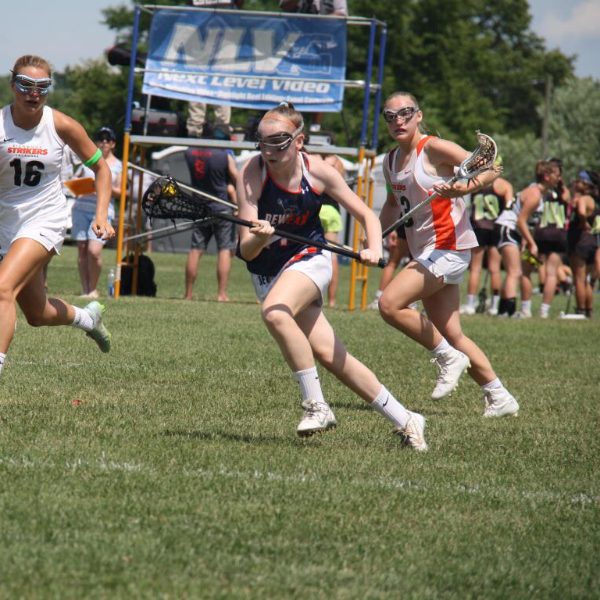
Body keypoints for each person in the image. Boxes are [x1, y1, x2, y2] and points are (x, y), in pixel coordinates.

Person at [236, 101, 427, 450]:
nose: (269, 151)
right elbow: (247, 251)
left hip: (309, 258)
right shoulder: (252, 173)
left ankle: (316, 406)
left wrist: (374, 247)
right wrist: (259, 236)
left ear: (299, 141)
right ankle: (406, 419)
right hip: (268, 272)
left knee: (275, 313)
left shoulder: (319, 172)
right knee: (332, 356)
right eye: (262, 142)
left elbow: (366, 215)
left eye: (278, 142)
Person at [377, 91, 519, 418]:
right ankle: (499, 396)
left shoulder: (434, 148)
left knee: (389, 304)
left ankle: (447, 358)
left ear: (419, 116)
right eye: (390, 116)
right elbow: (391, 205)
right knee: (453, 334)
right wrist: (373, 238)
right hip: (425, 250)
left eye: (405, 113)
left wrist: (462, 188)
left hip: (448, 247)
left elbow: (492, 167)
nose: (398, 121)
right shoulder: (390, 161)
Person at [0, 55, 114, 381]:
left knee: (2, 288)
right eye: (26, 85)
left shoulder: (62, 125)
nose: (33, 93)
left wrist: (102, 214)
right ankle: (88, 318)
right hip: (6, 222)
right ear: (13, 85)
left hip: (44, 220)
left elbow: (101, 169)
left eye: (42, 86)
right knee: (37, 313)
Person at [183, 134, 238, 301]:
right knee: (224, 250)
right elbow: (236, 178)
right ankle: (221, 294)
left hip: (200, 208)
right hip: (221, 208)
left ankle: (188, 294)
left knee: (195, 249)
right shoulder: (224, 156)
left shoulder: (190, 153)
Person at [70, 126, 121, 298]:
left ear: (113, 144)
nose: (104, 142)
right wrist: (79, 184)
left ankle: (93, 288)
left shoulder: (118, 165)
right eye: (100, 139)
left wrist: (101, 185)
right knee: (82, 249)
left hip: (102, 210)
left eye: (108, 139)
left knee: (94, 250)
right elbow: (74, 180)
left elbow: (122, 191)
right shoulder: (86, 159)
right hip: (81, 207)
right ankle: (86, 290)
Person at [185, 0, 244, 139]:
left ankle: (213, 127)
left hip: (221, 20)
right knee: (201, 76)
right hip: (204, 20)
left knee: (219, 75)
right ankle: (199, 128)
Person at [517, 160, 566, 318]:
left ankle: (525, 309)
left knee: (526, 271)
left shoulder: (539, 191)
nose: (558, 178)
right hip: (558, 236)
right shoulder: (563, 193)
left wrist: (527, 241)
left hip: (540, 235)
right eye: (557, 175)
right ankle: (544, 311)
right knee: (551, 274)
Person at [459, 164, 510, 316]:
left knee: (475, 268)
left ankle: (470, 305)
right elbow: (509, 207)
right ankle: (494, 307)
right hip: (495, 227)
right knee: (495, 269)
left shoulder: (475, 181)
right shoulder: (505, 185)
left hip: (478, 226)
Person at [567, 176, 599, 317]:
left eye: (579, 181)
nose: (576, 182)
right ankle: (589, 310)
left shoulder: (584, 199)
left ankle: (580, 310)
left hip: (580, 241)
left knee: (579, 279)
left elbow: (581, 211)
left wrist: (583, 221)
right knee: (587, 280)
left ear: (587, 185)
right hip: (592, 241)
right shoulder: (595, 200)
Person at [317, 153, 345, 307]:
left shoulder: (313, 158)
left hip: (315, 208)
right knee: (332, 255)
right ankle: (332, 300)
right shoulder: (337, 161)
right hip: (332, 210)